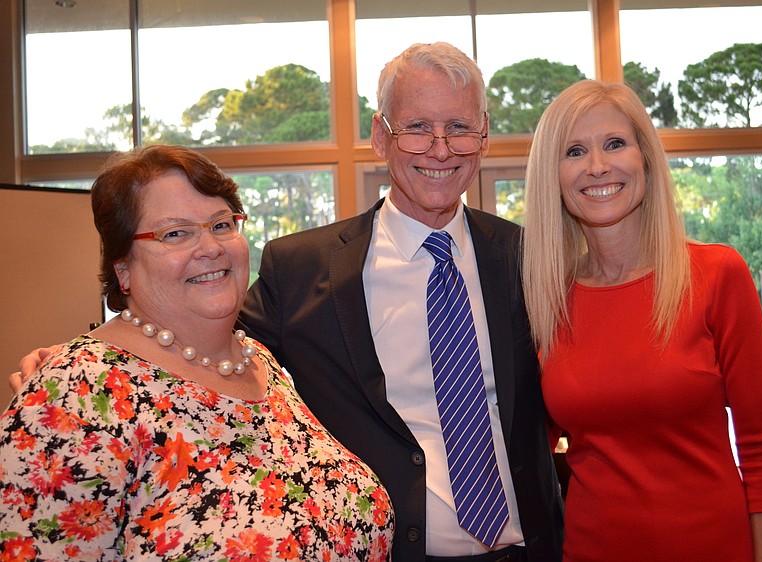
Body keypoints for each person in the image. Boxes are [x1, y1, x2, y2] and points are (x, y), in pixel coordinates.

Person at [10, 43, 564, 562]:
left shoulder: (529, 257)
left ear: (485, 137)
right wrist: (69, 366)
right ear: (380, 136)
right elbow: (194, 344)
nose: (440, 149)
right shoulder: (300, 270)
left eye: (460, 128)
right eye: (417, 127)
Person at [0, 145, 394, 561]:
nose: (210, 247)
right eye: (175, 233)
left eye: (222, 224)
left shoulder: (260, 363)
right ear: (123, 269)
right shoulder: (76, 394)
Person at [521, 80, 762, 562]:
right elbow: (523, 451)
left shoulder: (716, 276)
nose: (597, 166)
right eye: (574, 151)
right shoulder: (545, 300)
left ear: (645, 157)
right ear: (553, 175)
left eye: (614, 144)